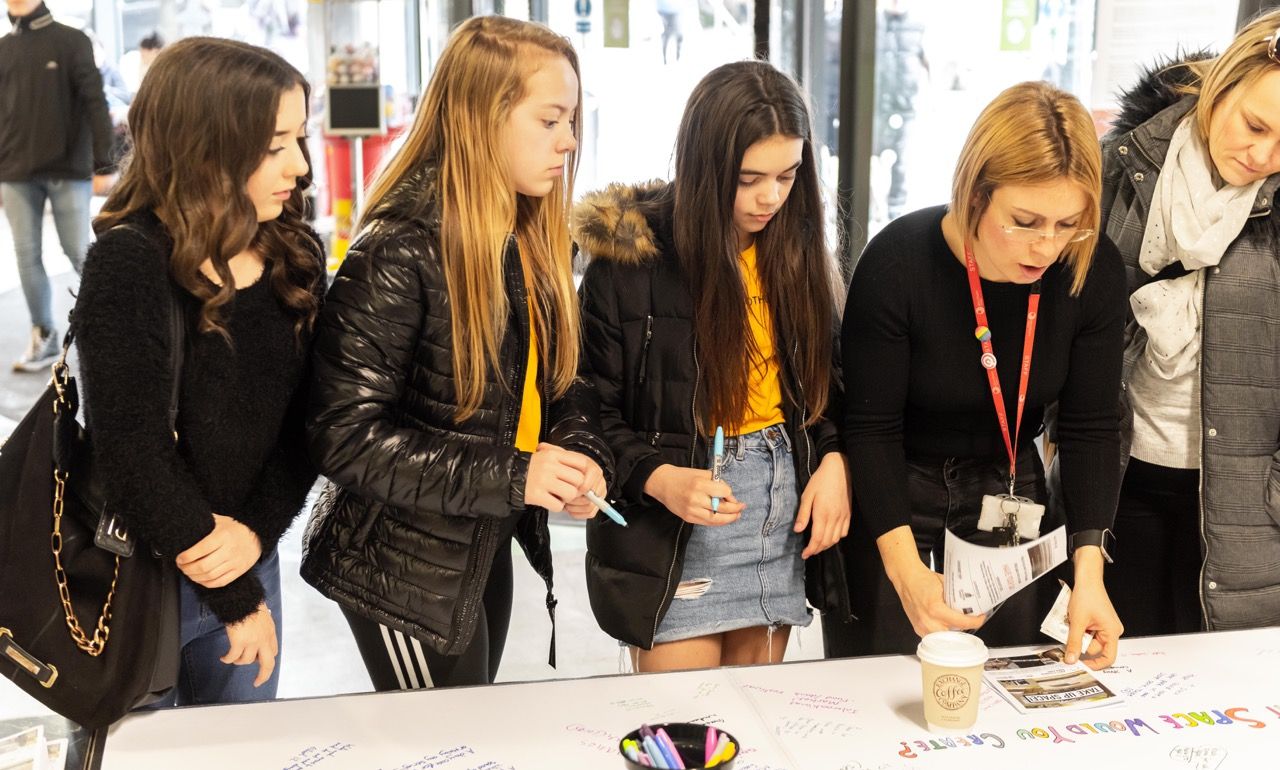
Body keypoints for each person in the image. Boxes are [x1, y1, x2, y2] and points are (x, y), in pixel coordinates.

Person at [302, 16, 613, 692]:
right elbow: (343, 437)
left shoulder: (531, 233)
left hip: (478, 539)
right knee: (442, 745)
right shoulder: (400, 247)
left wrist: (579, 448)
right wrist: (515, 476)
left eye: (573, 121)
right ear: (483, 117)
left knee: (472, 722)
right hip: (402, 570)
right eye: (550, 120)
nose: (569, 141)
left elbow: (564, 382)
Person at [830, 81, 1126, 669]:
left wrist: (1089, 566)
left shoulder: (1090, 269)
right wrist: (906, 572)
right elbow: (870, 427)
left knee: (1010, 673)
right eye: (1024, 220)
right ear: (974, 193)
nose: (1046, 245)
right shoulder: (897, 264)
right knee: (883, 681)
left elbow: (1093, 426)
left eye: (1068, 224)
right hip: (896, 486)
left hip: (1010, 487)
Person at [575, 60, 851, 673]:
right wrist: (657, 478)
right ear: (704, 167)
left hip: (778, 509)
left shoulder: (796, 251)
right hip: (672, 523)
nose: (771, 197)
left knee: (757, 723)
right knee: (682, 730)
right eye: (749, 178)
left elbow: (827, 386)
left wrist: (833, 458)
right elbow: (587, 409)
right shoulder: (630, 265)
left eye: (787, 175)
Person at [72, 37, 325, 704]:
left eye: (299, 138)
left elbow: (307, 425)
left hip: (246, 555)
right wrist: (235, 594)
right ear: (206, 146)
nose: (299, 166)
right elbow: (133, 450)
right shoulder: (129, 263)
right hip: (138, 575)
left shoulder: (294, 257)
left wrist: (253, 539)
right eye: (275, 146)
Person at [1100, 9, 1280, 636]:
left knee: (1223, 698)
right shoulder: (1122, 168)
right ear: (1222, 84)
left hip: (1248, 503)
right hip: (1119, 479)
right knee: (1111, 678)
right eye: (1254, 125)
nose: (1263, 156)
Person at [0, 0, 114, 372]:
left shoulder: (72, 41)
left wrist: (104, 164)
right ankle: (44, 335)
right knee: (26, 254)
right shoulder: (4, 49)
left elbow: (96, 103)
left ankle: (115, 323)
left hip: (68, 169)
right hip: (15, 172)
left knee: (79, 252)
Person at [873, 0, 929, 222]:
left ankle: (894, 214)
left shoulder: (918, 25)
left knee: (902, 164)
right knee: (875, 160)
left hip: (906, 105)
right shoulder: (876, 23)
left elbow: (927, 64)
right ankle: (874, 210)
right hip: (878, 104)